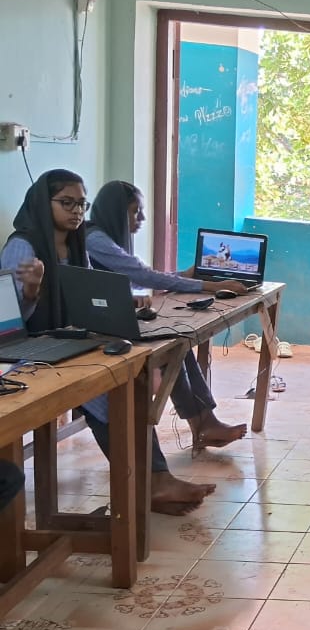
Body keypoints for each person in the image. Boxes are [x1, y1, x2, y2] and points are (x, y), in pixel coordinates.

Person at [1, 170, 214, 516]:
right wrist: (31, 288)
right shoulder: (23, 246)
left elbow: (84, 293)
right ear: (43, 202)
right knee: (106, 393)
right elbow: (11, 322)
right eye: (66, 203)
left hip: (67, 339)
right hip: (29, 352)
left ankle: (154, 479)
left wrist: (119, 304)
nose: (76, 211)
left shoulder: (75, 242)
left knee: (127, 377)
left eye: (81, 204)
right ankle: (153, 481)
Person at [85, 180, 247, 449]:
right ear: (116, 212)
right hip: (97, 330)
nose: (141, 219)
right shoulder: (95, 239)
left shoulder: (104, 237)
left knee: (178, 342)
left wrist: (182, 276)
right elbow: (144, 275)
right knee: (172, 345)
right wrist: (210, 285)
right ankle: (203, 424)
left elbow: (139, 277)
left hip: (108, 321)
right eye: (135, 212)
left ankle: (205, 423)